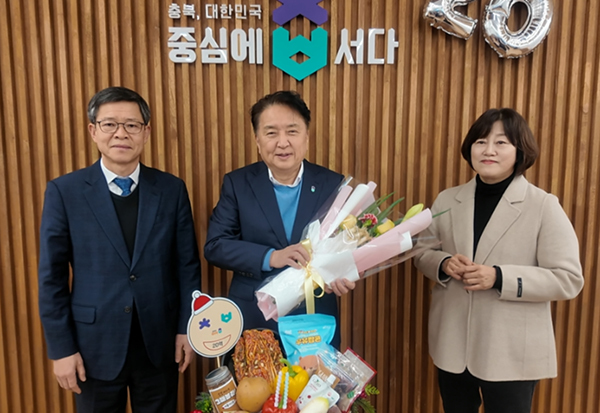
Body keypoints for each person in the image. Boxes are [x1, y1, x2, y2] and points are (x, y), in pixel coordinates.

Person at [38, 86, 201, 413]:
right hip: (92, 347)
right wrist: (61, 349)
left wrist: (188, 328)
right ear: (93, 131)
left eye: (132, 125)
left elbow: (187, 266)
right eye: (110, 124)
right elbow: (51, 278)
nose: (121, 133)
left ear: (146, 132)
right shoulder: (65, 192)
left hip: (159, 343)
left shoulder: (171, 189)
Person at [414, 108, 584, 413]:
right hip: (453, 343)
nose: (488, 150)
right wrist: (443, 263)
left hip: (511, 350)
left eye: (501, 142)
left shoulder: (543, 205)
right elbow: (421, 252)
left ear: (520, 150)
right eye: (480, 141)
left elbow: (568, 278)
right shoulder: (447, 199)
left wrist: (499, 277)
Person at [204, 90, 355, 348]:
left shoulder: (332, 184)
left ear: (306, 136)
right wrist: (271, 256)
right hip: (256, 315)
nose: (282, 142)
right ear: (257, 139)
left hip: (313, 317)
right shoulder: (238, 183)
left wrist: (341, 273)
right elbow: (216, 245)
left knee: (314, 377)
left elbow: (345, 244)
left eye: (292, 131)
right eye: (271, 133)